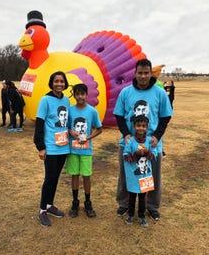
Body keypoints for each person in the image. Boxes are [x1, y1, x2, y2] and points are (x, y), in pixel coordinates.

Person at [113, 58, 173, 220]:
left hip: (152, 144)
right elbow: (118, 115)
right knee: (126, 174)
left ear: (150, 74)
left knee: (153, 176)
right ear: (135, 73)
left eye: (146, 73)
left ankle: (152, 206)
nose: (143, 76)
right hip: (128, 143)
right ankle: (124, 204)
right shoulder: (126, 92)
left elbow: (165, 116)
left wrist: (157, 136)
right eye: (140, 73)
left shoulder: (159, 92)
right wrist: (125, 133)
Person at [33, 71, 70, 226]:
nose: (59, 84)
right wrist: (41, 147)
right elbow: (39, 125)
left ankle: (49, 205)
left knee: (55, 178)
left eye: (62, 81)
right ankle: (42, 210)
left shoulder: (67, 100)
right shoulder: (45, 100)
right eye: (56, 81)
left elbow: (66, 122)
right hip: (51, 147)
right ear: (51, 83)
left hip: (64, 147)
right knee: (49, 178)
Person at [66, 84, 102, 218]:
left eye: (82, 94)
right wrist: (71, 131)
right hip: (73, 150)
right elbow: (67, 127)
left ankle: (88, 202)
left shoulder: (92, 111)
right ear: (74, 95)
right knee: (74, 175)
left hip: (86, 150)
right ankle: (75, 202)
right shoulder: (70, 110)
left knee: (86, 176)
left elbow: (99, 129)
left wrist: (87, 137)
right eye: (77, 94)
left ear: (87, 95)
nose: (80, 97)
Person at [123, 115, 157, 227]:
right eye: (138, 126)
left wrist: (147, 152)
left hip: (145, 176)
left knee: (143, 197)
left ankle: (142, 216)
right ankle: (131, 215)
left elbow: (154, 156)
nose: (141, 128)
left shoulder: (149, 141)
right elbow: (125, 156)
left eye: (143, 126)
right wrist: (135, 154)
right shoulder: (130, 141)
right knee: (132, 196)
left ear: (147, 128)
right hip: (133, 175)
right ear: (134, 126)